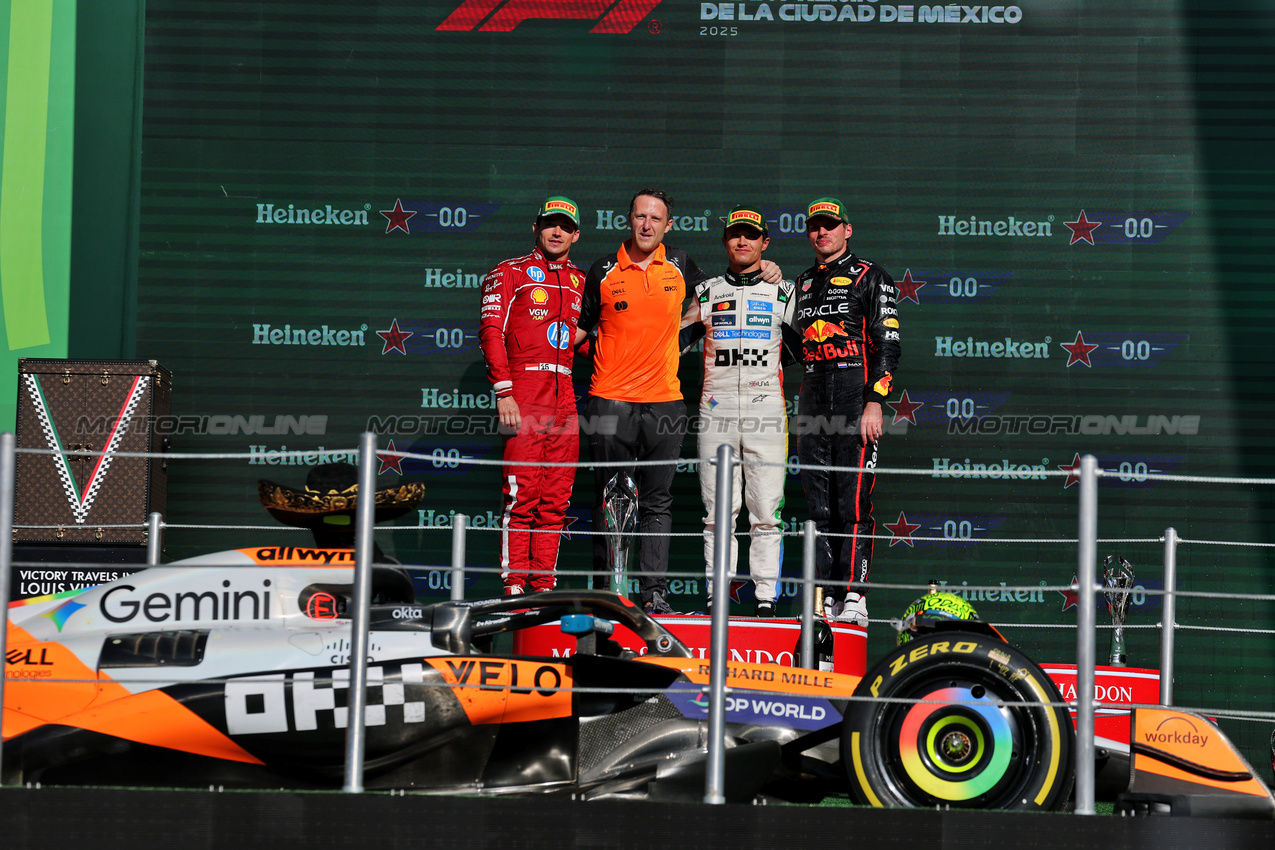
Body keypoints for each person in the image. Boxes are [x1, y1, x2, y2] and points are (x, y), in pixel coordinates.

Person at [578, 189, 781, 615]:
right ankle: (608, 592)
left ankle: (654, 594)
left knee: (658, 501)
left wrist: (768, 269)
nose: (647, 225)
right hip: (610, 399)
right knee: (610, 497)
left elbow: (723, 294)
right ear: (628, 220)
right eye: (640, 217)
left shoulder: (684, 266)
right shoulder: (600, 269)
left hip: (666, 401)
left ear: (668, 226)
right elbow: (577, 332)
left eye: (656, 218)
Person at [679, 205, 801, 617]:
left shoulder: (784, 292)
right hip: (716, 407)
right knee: (718, 511)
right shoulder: (706, 291)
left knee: (766, 509)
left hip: (766, 404)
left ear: (765, 242)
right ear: (725, 241)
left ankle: (765, 597)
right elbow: (673, 342)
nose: (742, 241)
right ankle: (718, 597)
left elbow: (808, 350)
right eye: (735, 234)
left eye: (751, 235)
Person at [794, 197, 901, 625]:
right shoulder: (800, 283)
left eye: (830, 226)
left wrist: (876, 401)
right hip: (812, 402)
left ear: (847, 230)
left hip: (856, 401)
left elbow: (888, 345)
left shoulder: (870, 276)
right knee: (819, 506)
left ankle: (855, 593)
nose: (823, 233)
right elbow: (788, 346)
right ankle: (826, 595)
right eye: (815, 227)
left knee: (853, 503)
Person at [478, 196, 588, 595]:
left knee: (557, 496)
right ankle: (513, 586)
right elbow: (491, 332)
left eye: (564, 226)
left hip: (565, 395)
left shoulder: (581, 281)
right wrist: (503, 391)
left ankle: (543, 584)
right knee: (521, 494)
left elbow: (588, 342)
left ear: (576, 234)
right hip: (524, 391)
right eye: (549, 224)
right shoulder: (509, 272)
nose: (556, 232)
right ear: (536, 228)